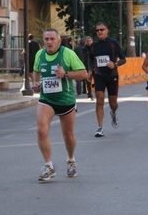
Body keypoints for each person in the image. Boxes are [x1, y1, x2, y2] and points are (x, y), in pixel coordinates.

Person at [32, 28, 87, 182]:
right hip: (46, 99)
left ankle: (71, 160)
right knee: (41, 130)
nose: (49, 42)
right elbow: (36, 71)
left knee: (68, 135)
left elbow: (84, 73)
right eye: (46, 39)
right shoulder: (39, 54)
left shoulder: (67, 53)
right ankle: (49, 166)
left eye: (52, 39)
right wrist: (36, 83)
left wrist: (66, 75)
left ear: (59, 40)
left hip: (66, 100)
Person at [88, 22, 126, 137]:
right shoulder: (94, 45)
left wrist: (115, 64)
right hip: (99, 75)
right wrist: (90, 71)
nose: (99, 32)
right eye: (97, 30)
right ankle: (100, 127)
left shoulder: (113, 43)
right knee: (99, 100)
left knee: (112, 103)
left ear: (107, 30)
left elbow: (123, 59)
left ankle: (113, 113)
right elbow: (90, 59)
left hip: (112, 76)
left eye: (102, 29)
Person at [82, 36, 94, 101]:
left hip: (95, 66)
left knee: (97, 80)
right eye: (87, 41)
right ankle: (89, 94)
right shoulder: (84, 49)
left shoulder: (95, 47)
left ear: (92, 41)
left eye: (90, 41)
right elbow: (86, 58)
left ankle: (97, 91)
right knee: (88, 81)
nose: (89, 42)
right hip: (87, 66)